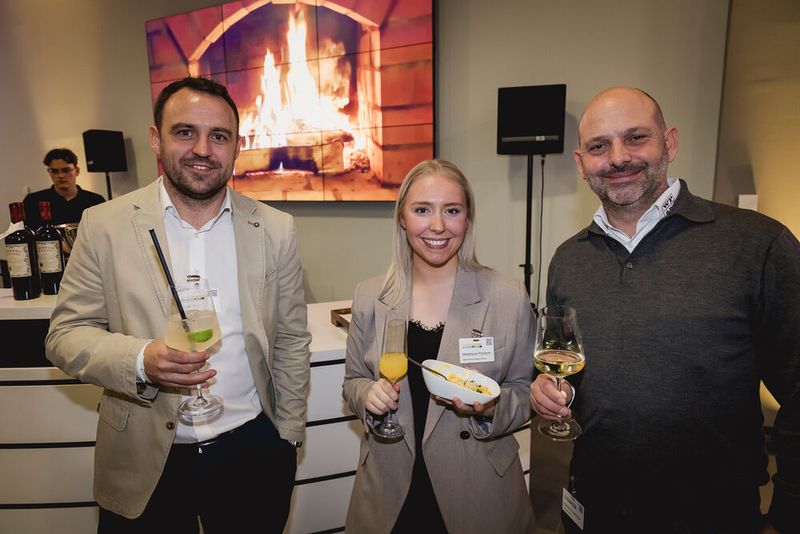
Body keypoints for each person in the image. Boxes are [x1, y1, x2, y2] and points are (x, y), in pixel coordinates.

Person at [45, 76, 311, 533]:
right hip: (144, 456)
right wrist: (141, 359)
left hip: (250, 451)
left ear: (236, 146)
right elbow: (64, 336)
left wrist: (286, 437)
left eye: (219, 136)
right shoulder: (103, 225)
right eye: (185, 132)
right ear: (156, 138)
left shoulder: (275, 228)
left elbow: (290, 338)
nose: (203, 149)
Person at [530, 87, 800, 533]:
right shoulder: (569, 258)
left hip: (712, 516)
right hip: (592, 508)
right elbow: (572, 373)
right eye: (599, 146)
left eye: (636, 138)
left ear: (669, 143)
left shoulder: (757, 245)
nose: (617, 158)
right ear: (581, 164)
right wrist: (554, 391)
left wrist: (788, 517)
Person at [342, 159, 536, 533]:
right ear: (402, 218)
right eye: (421, 210)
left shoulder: (507, 296)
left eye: (451, 210)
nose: (437, 226)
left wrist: (488, 408)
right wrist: (367, 395)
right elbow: (352, 381)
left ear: (467, 219)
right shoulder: (370, 296)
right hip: (391, 492)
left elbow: (527, 393)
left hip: (478, 490)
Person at [23, 148, 105, 229]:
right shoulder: (33, 201)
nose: (60, 176)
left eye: (66, 170)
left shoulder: (95, 201)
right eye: (54, 171)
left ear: (77, 171)